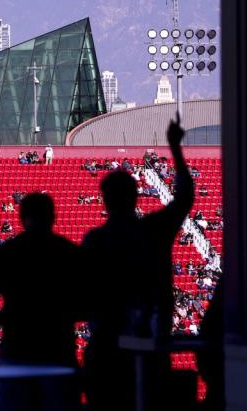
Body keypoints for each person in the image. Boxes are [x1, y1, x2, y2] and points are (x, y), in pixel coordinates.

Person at [82, 117, 194, 411]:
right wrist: (175, 148)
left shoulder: (94, 241)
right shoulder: (153, 231)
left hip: (105, 354)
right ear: (135, 198)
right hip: (149, 348)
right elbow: (184, 198)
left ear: (104, 200)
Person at [0, 193, 84, 411]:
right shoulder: (70, 253)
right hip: (58, 353)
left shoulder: (6, 253)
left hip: (16, 352)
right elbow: (88, 306)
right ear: (53, 217)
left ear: (21, 217)